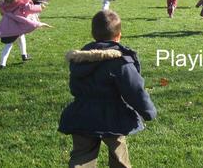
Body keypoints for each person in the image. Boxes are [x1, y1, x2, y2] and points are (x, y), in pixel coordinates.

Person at [58, 10, 157, 168]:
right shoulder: (121, 63)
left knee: (82, 156)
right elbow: (134, 90)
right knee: (119, 156)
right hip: (114, 117)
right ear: (118, 36)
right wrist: (149, 111)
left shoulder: (80, 60)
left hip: (82, 114)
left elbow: (74, 87)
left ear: (92, 33)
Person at [0, 0, 49, 68]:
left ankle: (24, 55)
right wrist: (40, 7)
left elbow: (2, 12)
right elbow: (30, 8)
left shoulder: (3, 1)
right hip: (16, 25)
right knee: (8, 45)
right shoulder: (22, 0)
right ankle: (2, 63)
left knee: (20, 37)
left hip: (8, 25)